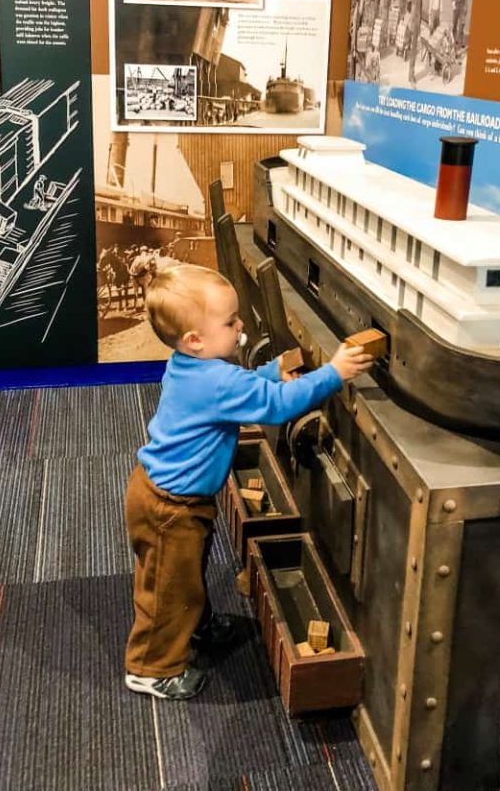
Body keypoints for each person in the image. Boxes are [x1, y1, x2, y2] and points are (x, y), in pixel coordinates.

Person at [123, 264, 372, 700]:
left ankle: (193, 626)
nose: (240, 328)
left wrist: (268, 373)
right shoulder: (215, 378)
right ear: (195, 340)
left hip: (173, 497)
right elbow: (275, 408)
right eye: (230, 322)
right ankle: (151, 667)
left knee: (185, 576)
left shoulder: (194, 367)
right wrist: (334, 373)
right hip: (169, 506)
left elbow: (243, 389)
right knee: (166, 586)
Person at [407, 0, 426, 86]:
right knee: (413, 51)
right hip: (414, 23)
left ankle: (411, 74)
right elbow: (414, 10)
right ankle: (411, 76)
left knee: (413, 50)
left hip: (414, 22)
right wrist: (414, 25)